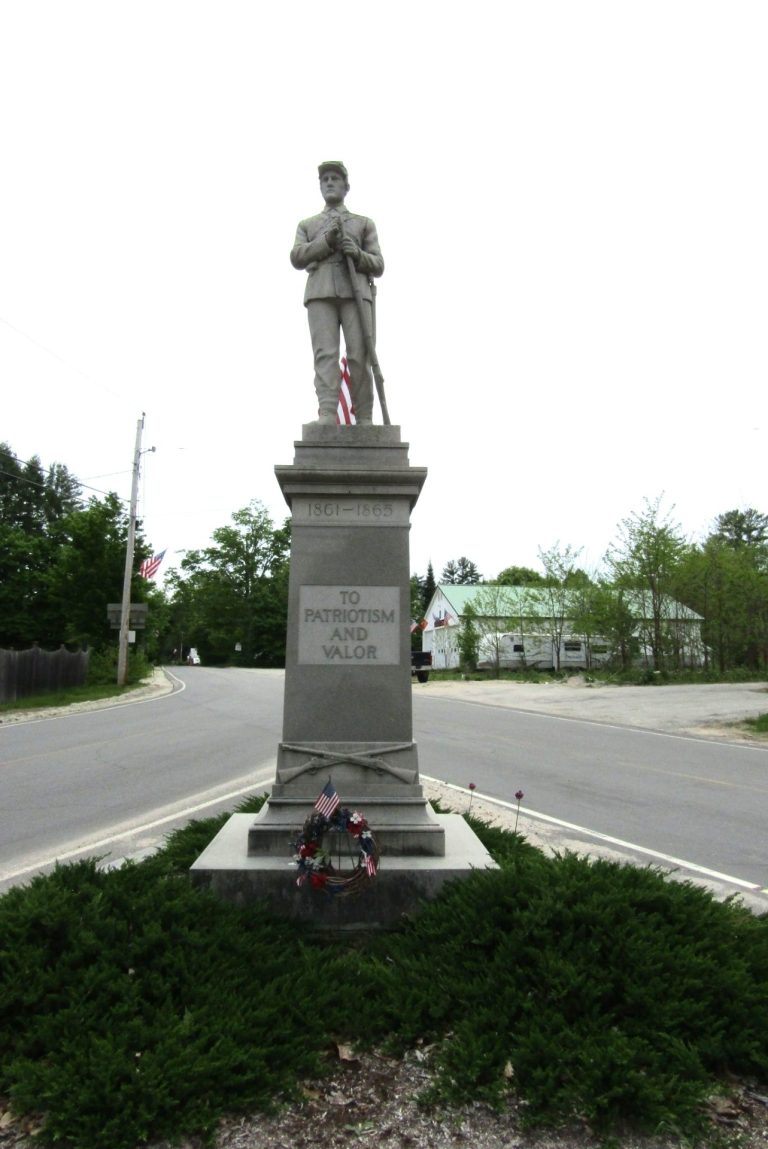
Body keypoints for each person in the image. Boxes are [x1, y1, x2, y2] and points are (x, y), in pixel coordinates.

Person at [290, 161, 384, 425]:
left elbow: (378, 264)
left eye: (335, 179)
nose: (329, 183)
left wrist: (357, 254)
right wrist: (326, 242)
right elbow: (297, 256)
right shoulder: (308, 225)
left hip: (356, 292)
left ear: (346, 187)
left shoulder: (363, 224)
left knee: (360, 354)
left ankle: (364, 416)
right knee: (325, 354)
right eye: (325, 179)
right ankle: (328, 413)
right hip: (320, 292)